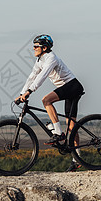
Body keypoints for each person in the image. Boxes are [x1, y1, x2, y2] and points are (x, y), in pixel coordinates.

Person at [15, 34, 84, 172]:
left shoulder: (51, 58)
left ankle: (58, 132)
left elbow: (42, 76)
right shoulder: (40, 60)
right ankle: (77, 160)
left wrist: (30, 91)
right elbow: (32, 77)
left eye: (36, 47)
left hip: (72, 86)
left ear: (44, 48)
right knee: (71, 127)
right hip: (66, 88)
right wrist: (22, 93)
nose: (33, 49)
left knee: (46, 100)